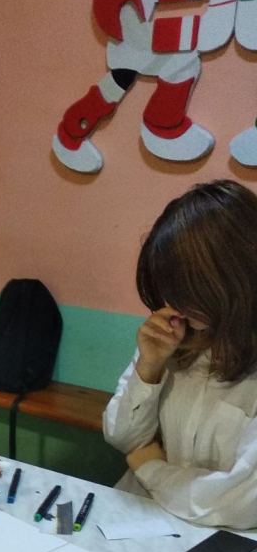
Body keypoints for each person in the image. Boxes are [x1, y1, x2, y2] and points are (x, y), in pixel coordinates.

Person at [103, 179, 257, 529]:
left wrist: (150, 467)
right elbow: (122, 437)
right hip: (146, 518)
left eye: (190, 288)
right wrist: (149, 368)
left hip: (225, 539)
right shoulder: (180, 336)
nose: (176, 304)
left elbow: (241, 502)